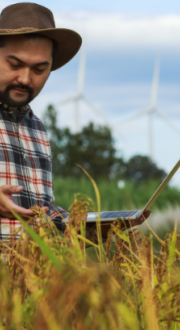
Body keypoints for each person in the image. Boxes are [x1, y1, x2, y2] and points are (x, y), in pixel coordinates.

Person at [0, 2, 150, 241]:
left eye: (39, 69)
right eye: (15, 64)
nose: (26, 79)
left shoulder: (36, 128)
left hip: (36, 274)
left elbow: (44, 214)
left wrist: (97, 229)